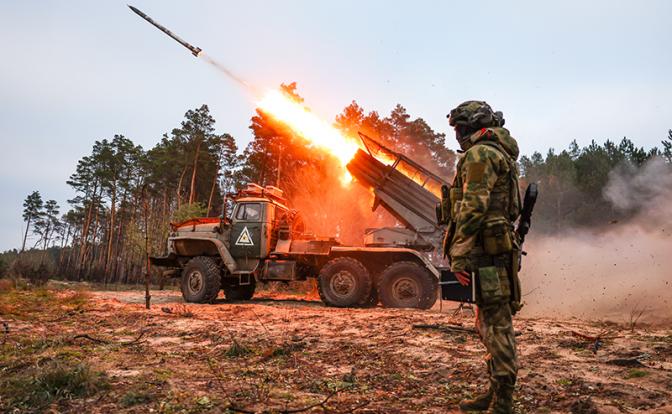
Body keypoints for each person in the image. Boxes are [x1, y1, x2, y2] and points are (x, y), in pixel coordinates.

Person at [443, 101, 523, 413]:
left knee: (497, 327)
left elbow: (473, 207)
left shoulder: (480, 154)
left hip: (486, 254)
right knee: (488, 324)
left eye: (460, 128)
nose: (457, 135)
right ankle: (494, 394)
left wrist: (459, 253)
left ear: (472, 126)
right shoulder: (494, 151)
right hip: (491, 250)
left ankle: (503, 404)